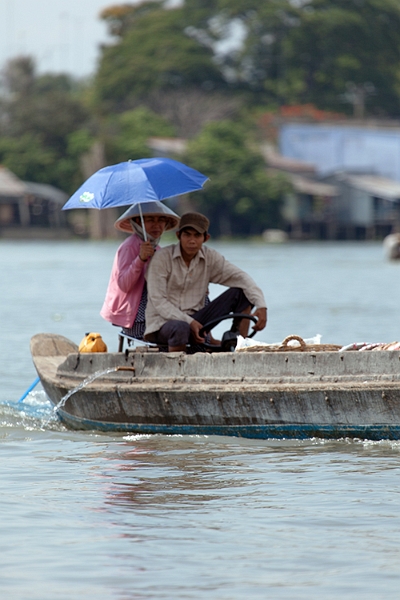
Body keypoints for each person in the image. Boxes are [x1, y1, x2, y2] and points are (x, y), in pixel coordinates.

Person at [144, 212, 267, 352]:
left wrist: (261, 305)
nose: (192, 241)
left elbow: (241, 278)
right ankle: (178, 367)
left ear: (205, 238)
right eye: (187, 235)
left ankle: (238, 348)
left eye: (197, 236)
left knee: (242, 293)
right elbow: (159, 302)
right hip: (164, 324)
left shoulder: (210, 257)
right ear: (179, 236)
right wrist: (190, 322)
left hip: (198, 321)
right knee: (181, 327)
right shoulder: (162, 258)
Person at [100, 201, 180, 340]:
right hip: (137, 319)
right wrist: (140, 259)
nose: (156, 225)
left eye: (161, 220)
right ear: (138, 222)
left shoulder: (157, 249)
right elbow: (124, 284)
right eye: (150, 220)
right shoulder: (129, 247)